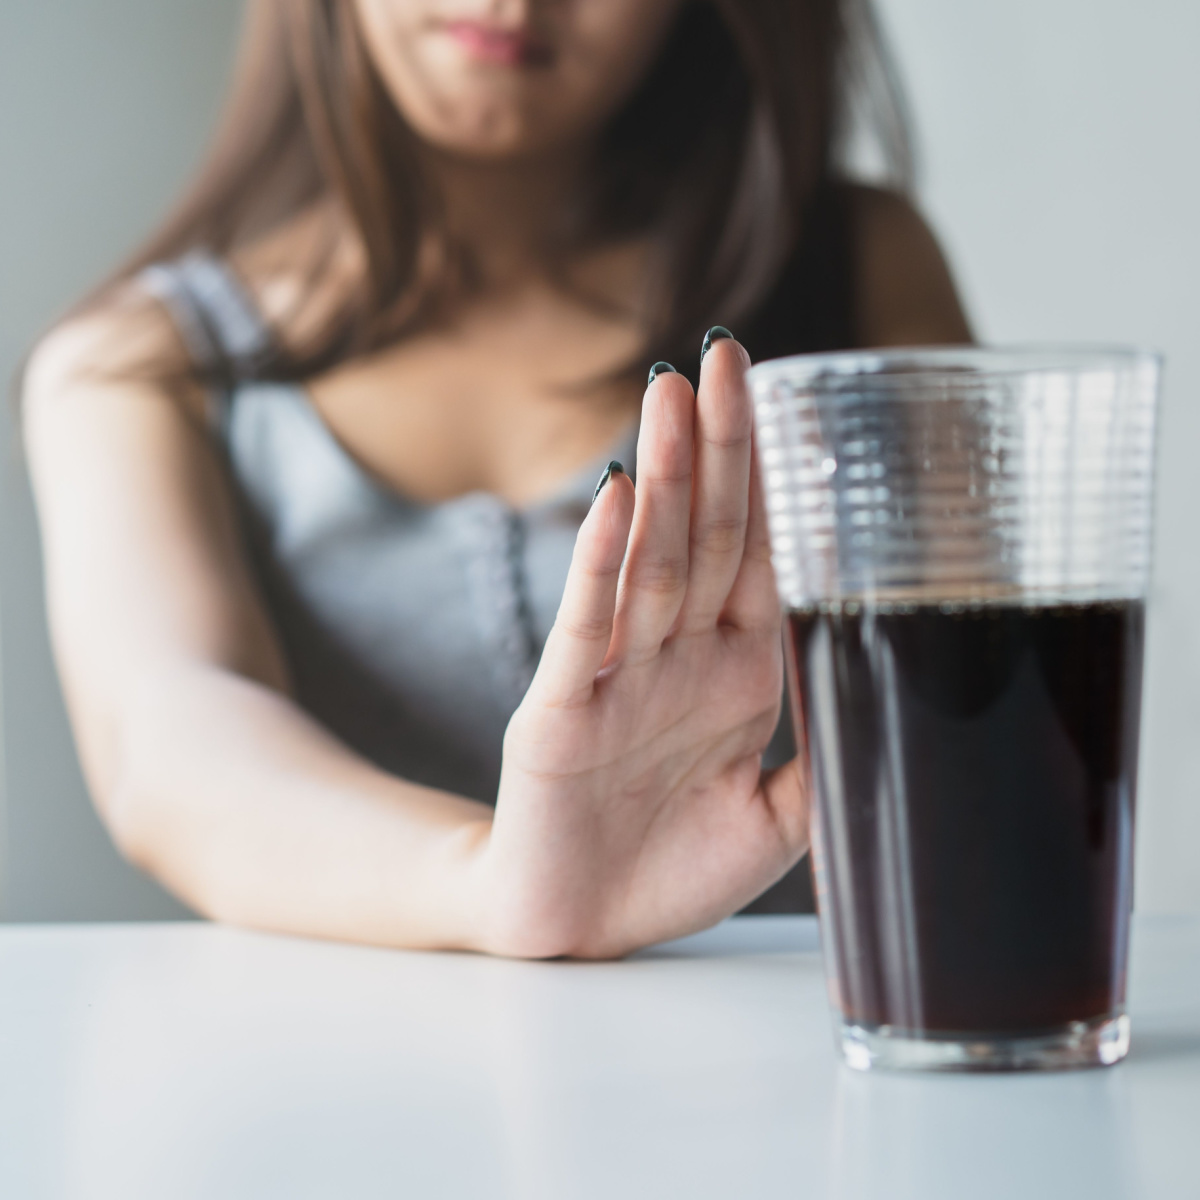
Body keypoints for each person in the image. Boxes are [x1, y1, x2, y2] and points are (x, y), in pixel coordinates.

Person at [21, 0, 970, 958]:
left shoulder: (861, 272)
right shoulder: (137, 367)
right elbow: (173, 742)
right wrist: (501, 882)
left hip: (811, 1076)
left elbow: (982, 719)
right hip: (354, 1087)